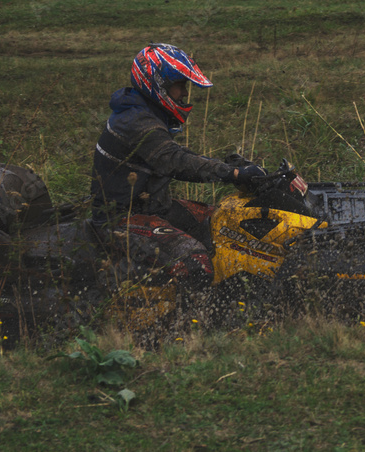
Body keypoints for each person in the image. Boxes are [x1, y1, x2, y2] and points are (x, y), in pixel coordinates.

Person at [89, 43, 265, 290]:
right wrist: (232, 173)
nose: (184, 93)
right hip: (120, 220)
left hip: (153, 208)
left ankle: (236, 289)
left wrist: (225, 165)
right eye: (180, 85)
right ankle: (185, 321)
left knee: (223, 222)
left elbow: (176, 154)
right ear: (157, 84)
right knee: (194, 261)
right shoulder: (137, 122)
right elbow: (176, 161)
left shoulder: (143, 112)